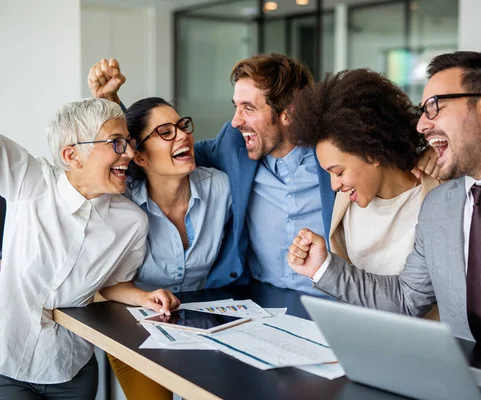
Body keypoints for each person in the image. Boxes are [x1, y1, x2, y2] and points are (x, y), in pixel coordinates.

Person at [287, 51, 481, 379]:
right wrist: (322, 268)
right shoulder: (438, 207)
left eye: (435, 107)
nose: (422, 124)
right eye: (423, 111)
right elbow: (406, 299)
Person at [90, 55, 437, 294]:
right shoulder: (234, 144)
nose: (236, 120)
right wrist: (113, 103)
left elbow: (381, 134)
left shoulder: (333, 150)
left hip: (329, 300)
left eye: (248, 108)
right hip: (258, 299)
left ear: (288, 114)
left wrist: (429, 150)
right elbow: (161, 153)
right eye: (235, 107)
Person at [0, 98, 179, 399]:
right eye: (117, 143)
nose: (131, 153)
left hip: (72, 369)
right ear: (72, 155)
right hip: (7, 363)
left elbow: (114, 284)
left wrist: (144, 297)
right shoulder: (30, 182)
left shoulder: (133, 222)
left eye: (130, 143)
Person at [102, 96, 233, 400]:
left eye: (182, 125)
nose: (183, 135)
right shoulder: (123, 206)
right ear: (141, 157)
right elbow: (105, 283)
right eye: (165, 132)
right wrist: (145, 297)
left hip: (202, 326)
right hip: (134, 326)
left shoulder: (221, 188)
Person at [289, 68, 439, 319]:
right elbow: (353, 292)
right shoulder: (345, 204)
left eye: (338, 172)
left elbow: (409, 300)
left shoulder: (438, 195)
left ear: (372, 153)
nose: (334, 185)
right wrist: (320, 266)